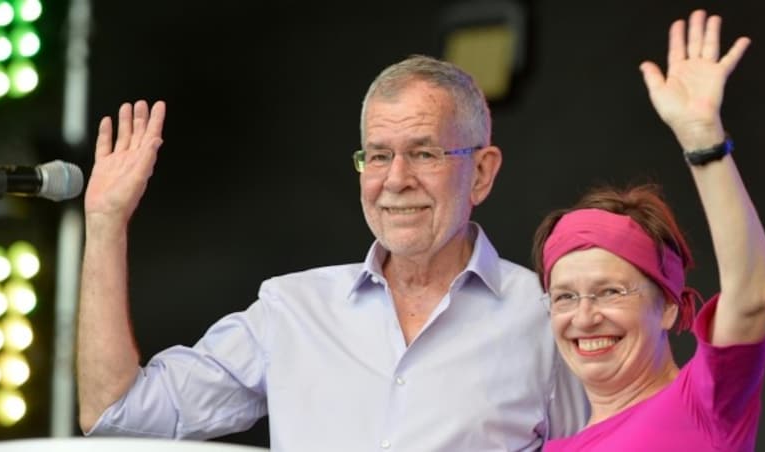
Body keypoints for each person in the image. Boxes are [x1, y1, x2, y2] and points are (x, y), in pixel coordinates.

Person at [76, 55, 588, 450]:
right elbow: (116, 411)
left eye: (425, 153)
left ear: (481, 172)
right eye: (379, 155)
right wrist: (104, 225)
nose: (396, 180)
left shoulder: (546, 316)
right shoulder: (291, 309)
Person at [532, 10, 765, 451]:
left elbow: (753, 300)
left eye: (609, 292)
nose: (584, 317)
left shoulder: (703, 404)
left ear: (667, 305)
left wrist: (703, 140)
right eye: (566, 296)